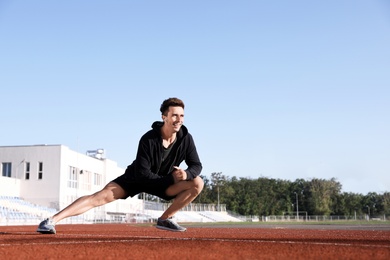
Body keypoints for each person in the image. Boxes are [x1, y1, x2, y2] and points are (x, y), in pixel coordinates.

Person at [37, 97, 203, 233]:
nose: (179, 120)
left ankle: (165, 219)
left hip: (163, 183)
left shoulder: (186, 138)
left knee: (198, 182)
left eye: (182, 116)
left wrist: (186, 175)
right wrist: (170, 179)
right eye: (174, 115)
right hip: (137, 178)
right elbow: (143, 175)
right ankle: (51, 221)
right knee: (99, 197)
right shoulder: (148, 139)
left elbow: (196, 165)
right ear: (164, 117)